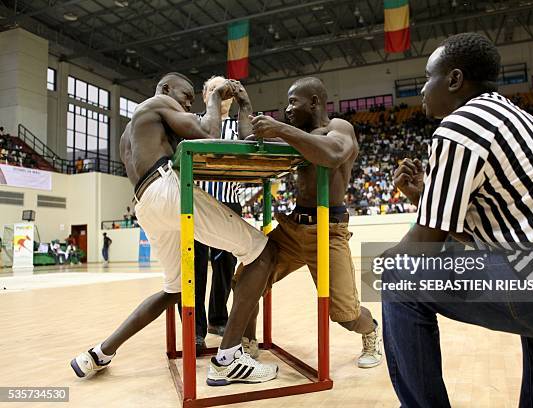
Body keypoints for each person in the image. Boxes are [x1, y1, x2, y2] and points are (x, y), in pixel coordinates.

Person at [382, 32, 533, 407]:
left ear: (455, 80)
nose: (422, 89)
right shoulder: (518, 119)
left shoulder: (463, 124)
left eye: (428, 77)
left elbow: (422, 248)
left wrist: (379, 263)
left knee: (395, 273)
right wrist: (427, 197)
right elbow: (498, 230)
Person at [71, 72, 279, 386]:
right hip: (167, 190)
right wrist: (213, 98)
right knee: (265, 252)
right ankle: (228, 359)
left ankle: (100, 352)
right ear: (166, 89)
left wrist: (236, 108)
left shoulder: (134, 129)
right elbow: (208, 132)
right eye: (185, 96)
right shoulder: (159, 102)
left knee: (175, 289)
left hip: (146, 204)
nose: (186, 103)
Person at [245, 76, 383, 368]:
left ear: (315, 102)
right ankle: (247, 343)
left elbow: (332, 155)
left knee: (346, 316)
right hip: (293, 228)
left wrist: (280, 128)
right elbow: (251, 137)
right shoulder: (297, 134)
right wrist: (247, 106)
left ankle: (371, 331)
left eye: (294, 102)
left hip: (329, 230)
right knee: (245, 279)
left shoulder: (339, 128)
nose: (288, 109)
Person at [190, 75, 253, 351]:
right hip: (198, 204)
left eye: (225, 89)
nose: (221, 93)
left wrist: (243, 101)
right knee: (196, 268)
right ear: (205, 95)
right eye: (215, 89)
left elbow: (249, 141)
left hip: (229, 203)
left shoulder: (237, 125)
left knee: (226, 267)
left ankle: (218, 318)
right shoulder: (195, 121)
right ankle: (196, 328)